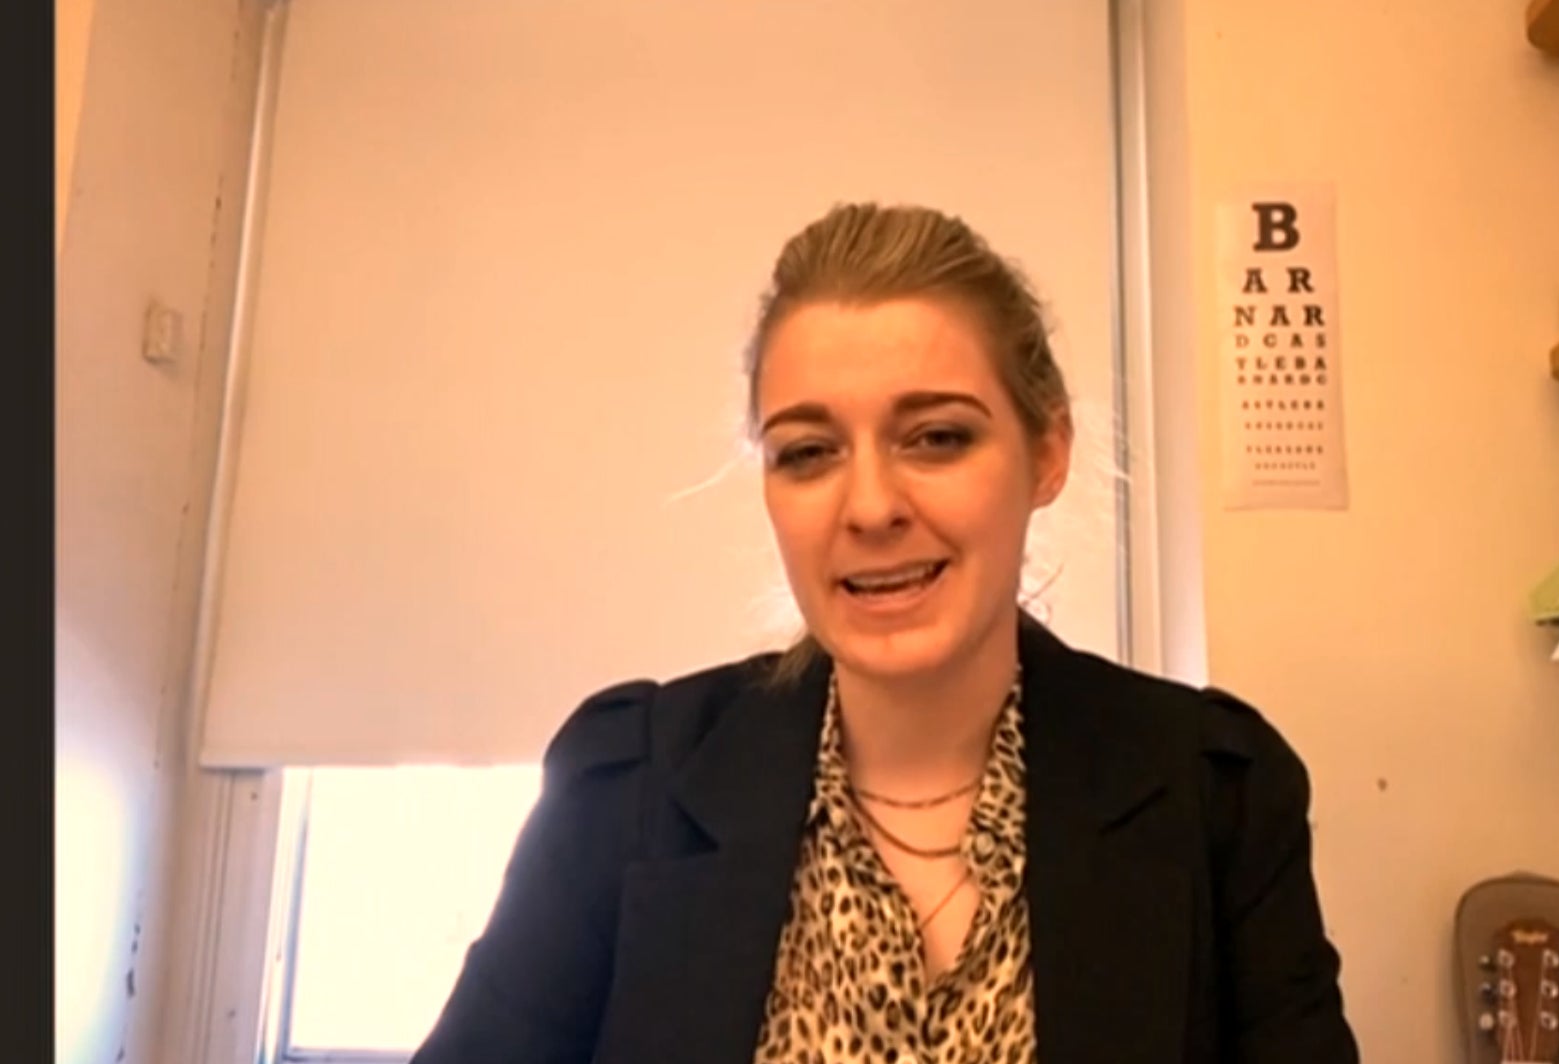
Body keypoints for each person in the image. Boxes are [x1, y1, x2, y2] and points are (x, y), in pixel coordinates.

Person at [411, 203, 1358, 1064]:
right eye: (809, 453)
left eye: (937, 437)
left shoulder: (1214, 796)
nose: (868, 507)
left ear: (1047, 454)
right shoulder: (625, 788)